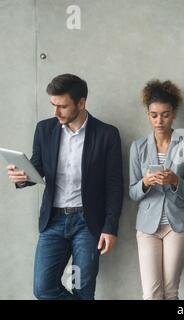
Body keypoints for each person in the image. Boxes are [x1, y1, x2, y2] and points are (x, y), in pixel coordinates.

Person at [7, 74, 123, 300]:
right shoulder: (44, 129)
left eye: (62, 106)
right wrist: (23, 177)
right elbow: (38, 167)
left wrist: (110, 227)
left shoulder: (106, 134)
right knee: (43, 289)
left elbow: (114, 184)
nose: (56, 112)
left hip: (87, 225)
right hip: (53, 222)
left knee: (83, 290)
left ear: (81, 103)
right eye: (53, 105)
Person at [129, 80, 184, 300]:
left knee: (171, 290)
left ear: (173, 114)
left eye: (165, 114)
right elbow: (133, 192)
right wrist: (145, 183)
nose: (159, 120)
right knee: (151, 294)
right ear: (148, 114)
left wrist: (176, 180)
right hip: (147, 227)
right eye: (154, 115)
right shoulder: (138, 147)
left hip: (177, 225)